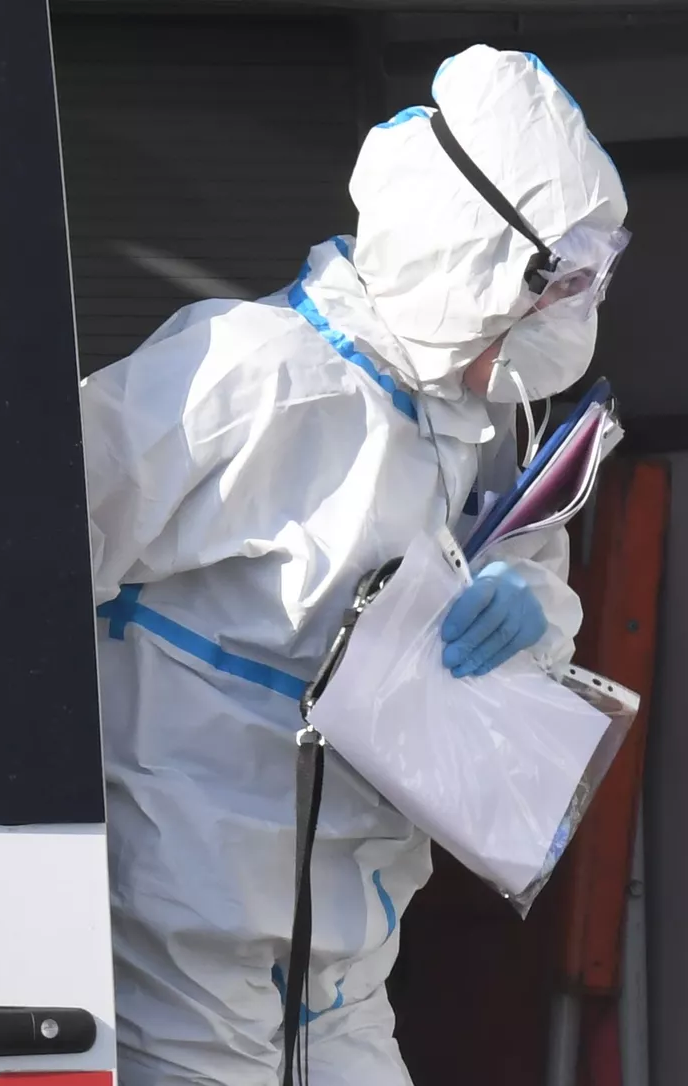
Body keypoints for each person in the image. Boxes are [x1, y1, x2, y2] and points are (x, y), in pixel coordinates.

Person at [80, 45, 630, 1086]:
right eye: (539, 296)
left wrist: (531, 603)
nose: (544, 330)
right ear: (459, 261)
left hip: (349, 943)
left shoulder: (477, 420)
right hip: (183, 931)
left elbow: (532, 562)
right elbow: (14, 560)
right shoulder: (243, 377)